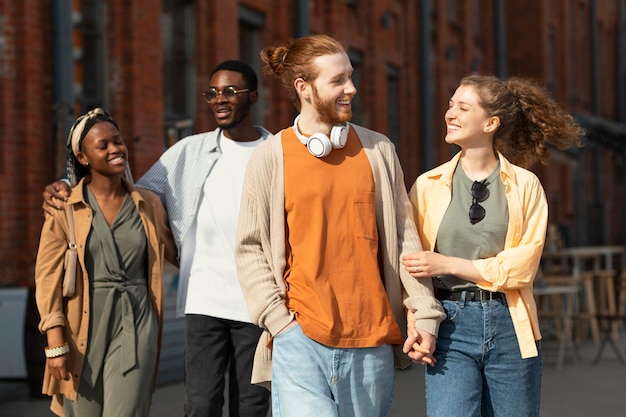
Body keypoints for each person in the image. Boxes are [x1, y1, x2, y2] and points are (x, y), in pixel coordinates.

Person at [42, 61, 272, 417]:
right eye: (212, 93)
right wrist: (65, 186)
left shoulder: (278, 154)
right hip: (203, 301)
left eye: (230, 91)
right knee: (200, 405)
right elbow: (129, 189)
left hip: (260, 302)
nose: (220, 99)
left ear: (253, 96)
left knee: (253, 406)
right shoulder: (187, 152)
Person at [234, 34, 445, 417]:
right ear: (304, 88)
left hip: (371, 342)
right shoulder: (270, 156)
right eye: (338, 81)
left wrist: (424, 311)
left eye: (350, 76)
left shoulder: (378, 150)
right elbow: (249, 248)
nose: (352, 88)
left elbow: (403, 239)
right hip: (299, 337)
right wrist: (279, 322)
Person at [401, 74, 584, 417]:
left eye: (462, 107)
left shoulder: (526, 185)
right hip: (448, 324)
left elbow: (521, 268)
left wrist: (448, 264)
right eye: (451, 104)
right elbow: (413, 264)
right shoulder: (427, 185)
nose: (450, 113)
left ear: (490, 123)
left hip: (511, 325)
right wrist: (417, 322)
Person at [35, 108, 178, 416]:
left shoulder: (148, 204)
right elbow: (46, 279)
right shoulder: (65, 208)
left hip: (136, 323)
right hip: (80, 328)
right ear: (83, 157)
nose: (115, 149)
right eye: (104, 145)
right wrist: (55, 341)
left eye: (118, 141)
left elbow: (183, 253)